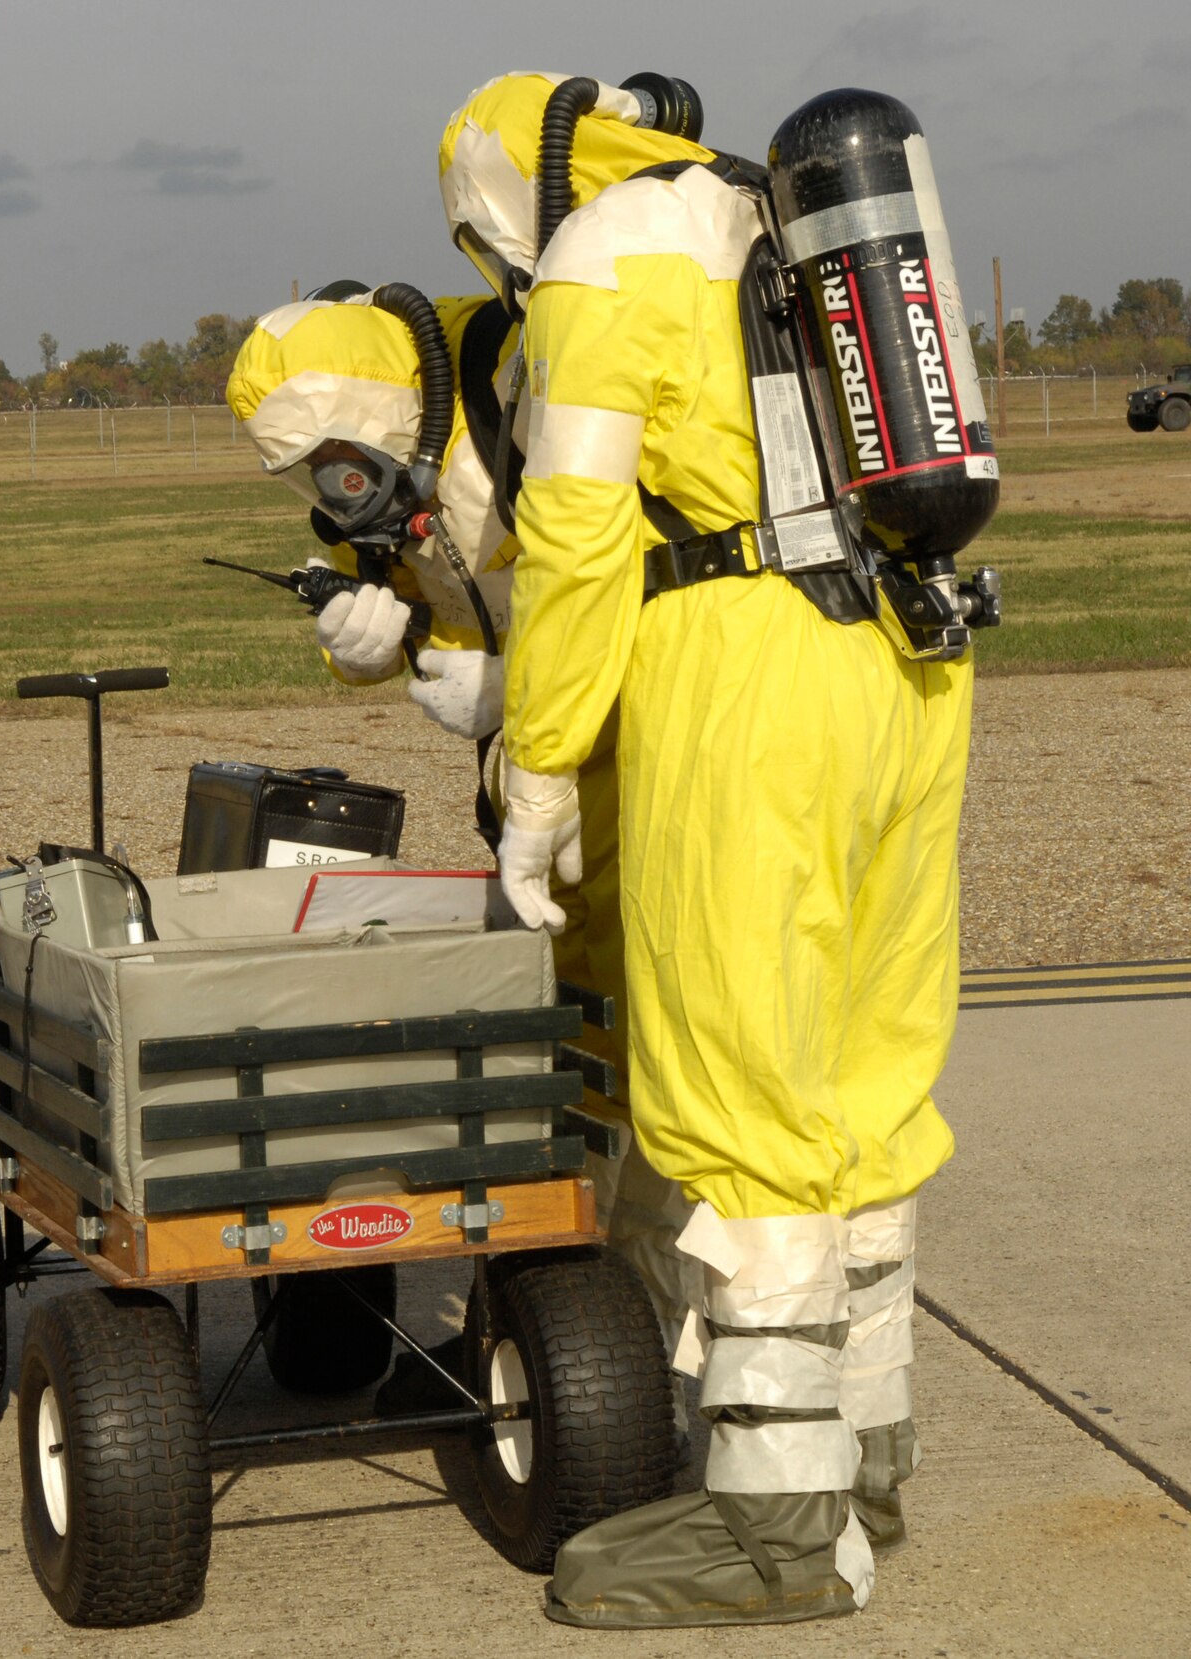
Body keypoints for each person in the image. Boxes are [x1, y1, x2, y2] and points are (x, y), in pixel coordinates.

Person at [444, 73, 969, 1625]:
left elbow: (582, 535)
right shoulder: (774, 217)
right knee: (862, 1088)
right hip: (905, 662)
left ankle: (771, 1527)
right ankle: (866, 1458)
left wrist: (538, 758)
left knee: (740, 1103)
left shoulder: (604, 248)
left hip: (744, 683)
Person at [226, 287, 690, 1350]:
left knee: (649, 1051)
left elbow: (636, 608)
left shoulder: (523, 412)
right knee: (559, 1053)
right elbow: (405, 603)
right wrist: (361, 649)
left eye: (333, 456)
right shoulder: (378, 480)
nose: (331, 487)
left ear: (379, 408)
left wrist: (506, 692)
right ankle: (558, 1327)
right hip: (529, 802)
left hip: (641, 775)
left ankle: (637, 1331)